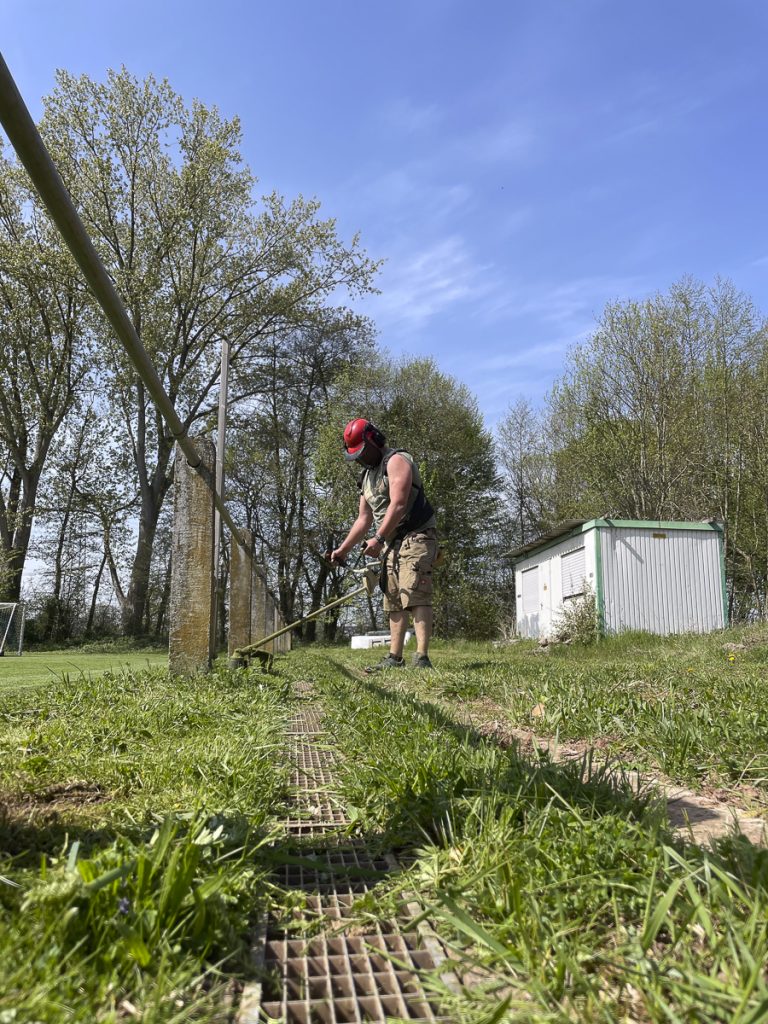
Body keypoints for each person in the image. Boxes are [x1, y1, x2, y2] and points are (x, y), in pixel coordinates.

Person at [330, 418, 439, 671]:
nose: (360, 459)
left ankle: (422, 658)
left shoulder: (396, 461)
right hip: (391, 540)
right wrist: (342, 550)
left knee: (415, 593)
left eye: (362, 452)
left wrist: (378, 539)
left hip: (417, 534)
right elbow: (363, 519)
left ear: (375, 441)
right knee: (392, 597)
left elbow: (398, 504)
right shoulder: (366, 477)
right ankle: (395, 658)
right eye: (355, 455)